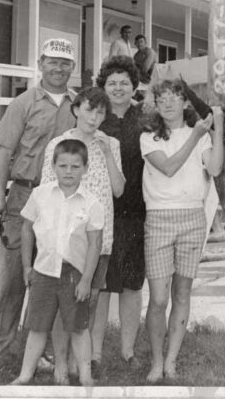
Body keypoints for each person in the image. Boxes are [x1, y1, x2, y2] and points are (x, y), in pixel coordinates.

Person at [0, 38, 78, 375]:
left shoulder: (79, 106)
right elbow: (4, 153)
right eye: (53, 62)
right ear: (40, 63)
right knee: (11, 280)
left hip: (60, 200)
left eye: (65, 63)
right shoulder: (22, 103)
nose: (59, 68)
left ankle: (44, 350)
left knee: (50, 278)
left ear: (73, 68)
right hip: (23, 196)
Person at [140, 79, 222, 382]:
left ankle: (171, 360)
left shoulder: (199, 135)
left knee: (182, 294)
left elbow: (213, 169)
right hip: (159, 219)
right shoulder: (149, 137)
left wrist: (218, 128)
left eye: (175, 97)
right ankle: (156, 360)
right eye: (162, 99)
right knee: (159, 298)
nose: (169, 103)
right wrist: (199, 133)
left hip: (193, 218)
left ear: (185, 102)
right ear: (156, 105)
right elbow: (170, 167)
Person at [39, 87, 123, 382]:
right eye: (89, 109)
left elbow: (118, 189)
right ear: (76, 109)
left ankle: (79, 362)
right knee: (63, 305)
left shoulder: (110, 143)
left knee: (87, 302)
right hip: (65, 240)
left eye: (100, 112)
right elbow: (47, 192)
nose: (94, 117)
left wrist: (107, 153)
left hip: (100, 237)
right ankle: (61, 363)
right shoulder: (59, 145)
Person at [10, 139, 104, 386]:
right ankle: (25, 375)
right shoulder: (40, 195)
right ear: (53, 166)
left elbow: (95, 245)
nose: (69, 172)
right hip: (43, 270)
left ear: (85, 168)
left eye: (75, 166)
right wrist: (27, 267)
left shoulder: (92, 203)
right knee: (37, 326)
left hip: (74, 273)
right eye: (63, 166)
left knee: (78, 328)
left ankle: (85, 377)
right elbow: (27, 230)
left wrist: (86, 280)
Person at [93, 56, 146, 363]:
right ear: (103, 86)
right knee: (100, 285)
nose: (118, 88)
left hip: (136, 213)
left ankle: (127, 351)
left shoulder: (145, 118)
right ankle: (96, 352)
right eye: (111, 82)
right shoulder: (96, 118)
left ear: (133, 86)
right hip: (102, 213)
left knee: (131, 283)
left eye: (124, 82)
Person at [132, 34, 157, 99]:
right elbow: (133, 69)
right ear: (135, 44)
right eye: (137, 42)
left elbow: (145, 68)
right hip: (142, 81)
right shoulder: (136, 56)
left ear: (145, 43)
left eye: (141, 41)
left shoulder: (150, 52)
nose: (139, 44)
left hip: (153, 79)